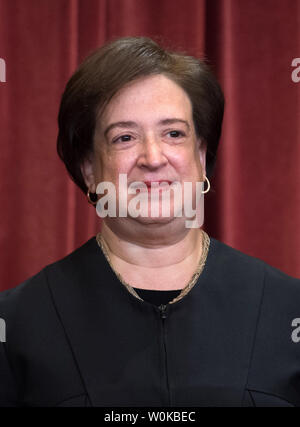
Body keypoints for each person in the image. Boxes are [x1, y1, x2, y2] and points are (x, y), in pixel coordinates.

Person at [1, 36, 300, 408]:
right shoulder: (17, 325)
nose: (153, 157)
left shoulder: (288, 311)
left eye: (174, 133)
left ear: (202, 154)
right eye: (124, 137)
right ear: (90, 169)